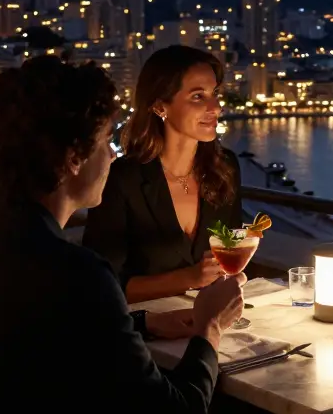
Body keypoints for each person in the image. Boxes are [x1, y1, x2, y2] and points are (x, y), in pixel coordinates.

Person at [0, 56, 245, 412]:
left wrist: (144, 323)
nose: (112, 155)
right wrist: (209, 327)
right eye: (106, 140)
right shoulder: (74, 273)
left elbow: (47, 329)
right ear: (73, 157)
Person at [84, 45, 243, 304]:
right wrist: (189, 278)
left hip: (210, 321)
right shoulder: (122, 179)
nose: (215, 107)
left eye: (215, 94)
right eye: (197, 97)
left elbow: (230, 253)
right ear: (160, 106)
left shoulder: (225, 169)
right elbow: (102, 284)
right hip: (142, 330)